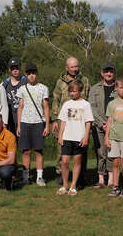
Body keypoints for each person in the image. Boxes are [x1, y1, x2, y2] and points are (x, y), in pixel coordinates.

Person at [51, 57, 90, 185]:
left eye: (76, 66)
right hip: (64, 121)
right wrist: (54, 119)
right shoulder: (60, 82)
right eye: (72, 67)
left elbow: (88, 99)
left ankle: (81, 176)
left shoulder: (84, 80)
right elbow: (55, 100)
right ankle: (61, 175)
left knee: (81, 150)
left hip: (79, 122)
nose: (75, 69)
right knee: (61, 150)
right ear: (66, 68)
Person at [57, 80, 93, 196]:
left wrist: (86, 136)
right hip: (67, 137)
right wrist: (60, 135)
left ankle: (73, 186)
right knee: (65, 162)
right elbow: (63, 120)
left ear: (80, 91)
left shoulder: (85, 104)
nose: (72, 93)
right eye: (70, 91)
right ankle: (65, 185)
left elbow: (88, 122)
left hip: (79, 137)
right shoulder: (67, 104)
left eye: (74, 91)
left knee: (77, 162)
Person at [16, 64, 50, 186]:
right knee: (25, 151)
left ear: (37, 74)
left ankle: (39, 177)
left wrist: (47, 125)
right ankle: (25, 177)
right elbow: (20, 107)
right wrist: (19, 126)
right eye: (29, 73)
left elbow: (46, 107)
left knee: (39, 151)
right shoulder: (22, 89)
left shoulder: (43, 88)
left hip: (38, 123)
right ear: (26, 75)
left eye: (33, 73)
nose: (31, 75)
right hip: (25, 123)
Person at [89, 62, 117, 188]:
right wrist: (102, 124)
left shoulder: (118, 88)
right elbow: (92, 108)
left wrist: (111, 124)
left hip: (115, 125)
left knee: (111, 151)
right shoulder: (94, 88)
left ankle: (111, 180)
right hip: (99, 125)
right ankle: (101, 179)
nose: (109, 74)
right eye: (106, 71)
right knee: (101, 152)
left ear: (114, 73)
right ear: (102, 73)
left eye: (111, 71)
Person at [2, 57, 28, 138]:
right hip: (10, 116)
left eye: (17, 67)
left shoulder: (26, 81)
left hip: (24, 116)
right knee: (11, 140)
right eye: (13, 68)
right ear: (9, 70)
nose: (15, 70)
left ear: (20, 68)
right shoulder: (5, 84)